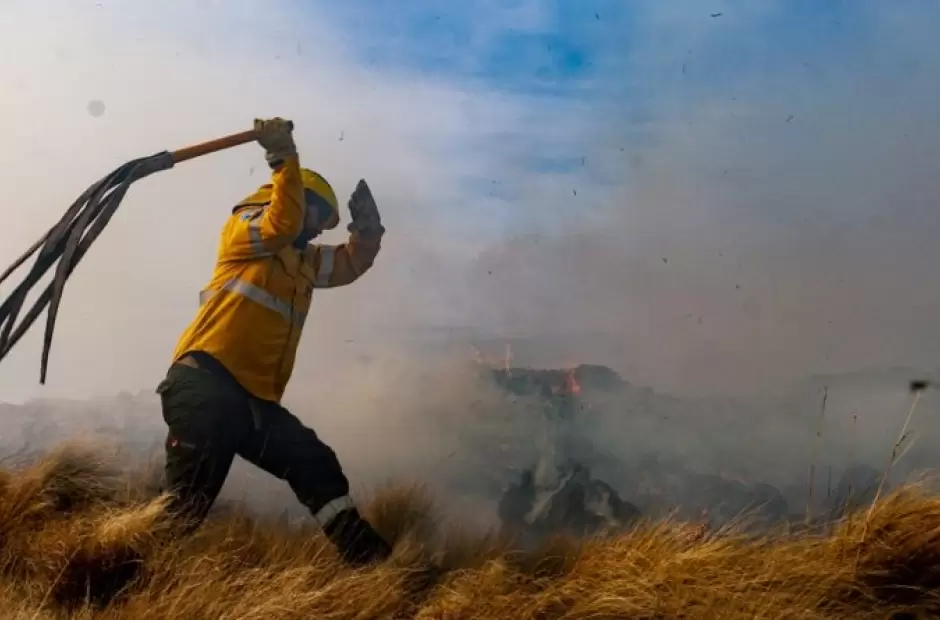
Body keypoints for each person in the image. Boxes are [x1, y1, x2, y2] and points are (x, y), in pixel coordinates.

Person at [155, 117, 392, 565]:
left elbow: (349, 265)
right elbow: (281, 224)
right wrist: (283, 157)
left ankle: (371, 563)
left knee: (313, 461)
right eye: (320, 215)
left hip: (251, 401)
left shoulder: (301, 262)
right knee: (182, 513)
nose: (322, 229)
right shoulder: (245, 232)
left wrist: (368, 231)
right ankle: (116, 577)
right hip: (205, 386)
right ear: (298, 200)